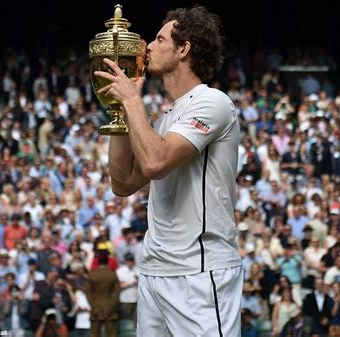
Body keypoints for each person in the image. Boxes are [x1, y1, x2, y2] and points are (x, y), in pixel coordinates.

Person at [95, 5, 242, 336]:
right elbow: (123, 183)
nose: (148, 46)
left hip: (200, 274)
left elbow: (155, 163)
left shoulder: (212, 102)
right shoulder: (163, 119)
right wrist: (119, 110)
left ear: (183, 49)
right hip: (154, 271)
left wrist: (133, 101)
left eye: (159, 39)